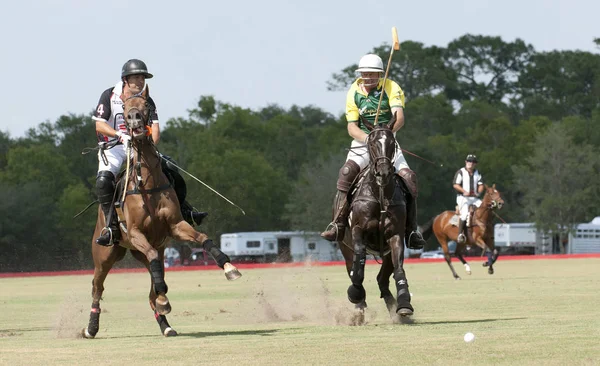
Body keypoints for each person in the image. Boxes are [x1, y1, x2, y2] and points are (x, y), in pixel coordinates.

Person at [93, 59, 208, 246]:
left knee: (169, 167)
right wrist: (120, 135)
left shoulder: (147, 100)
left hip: (138, 147)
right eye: (136, 77)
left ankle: (186, 211)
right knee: (104, 181)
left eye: (143, 78)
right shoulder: (109, 95)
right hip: (113, 147)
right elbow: (99, 124)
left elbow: (155, 129)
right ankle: (110, 226)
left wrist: (149, 147)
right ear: (125, 80)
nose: (140, 81)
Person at [320, 54, 427, 249]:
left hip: (386, 141)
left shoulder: (391, 87)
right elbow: (351, 126)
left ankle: (411, 231)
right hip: (363, 142)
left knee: (410, 178)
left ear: (379, 75)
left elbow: (399, 117)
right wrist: (369, 138)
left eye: (372, 74)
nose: (368, 78)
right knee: (346, 173)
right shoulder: (354, 91)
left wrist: (383, 135)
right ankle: (338, 223)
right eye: (364, 74)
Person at [452, 154, 484, 244]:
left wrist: (478, 192)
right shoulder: (460, 172)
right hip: (463, 197)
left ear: (475, 164)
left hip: (474, 198)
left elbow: (481, 185)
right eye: (469, 161)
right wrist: (464, 191)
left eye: (473, 162)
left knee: (484, 208)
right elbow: (455, 184)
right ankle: (460, 235)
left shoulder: (478, 173)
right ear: (466, 162)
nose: (471, 163)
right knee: (465, 213)